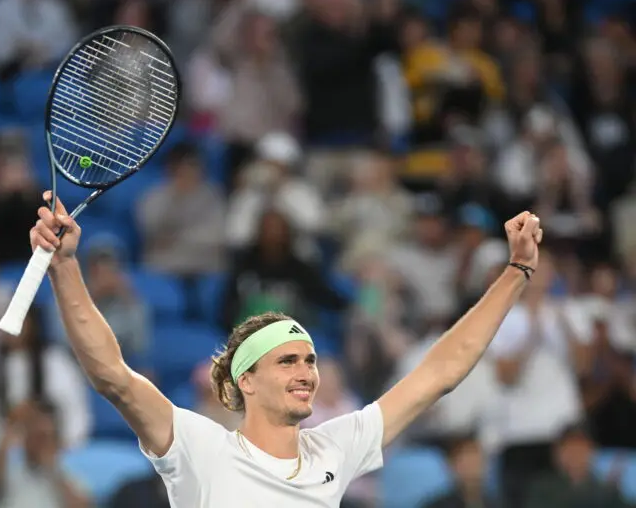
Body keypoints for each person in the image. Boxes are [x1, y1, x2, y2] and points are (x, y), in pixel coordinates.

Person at [30, 189, 543, 507]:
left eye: (311, 359)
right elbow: (113, 376)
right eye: (288, 360)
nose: (307, 371)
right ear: (245, 380)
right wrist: (67, 268)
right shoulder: (198, 447)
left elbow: (441, 371)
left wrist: (516, 272)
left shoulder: (336, 448)